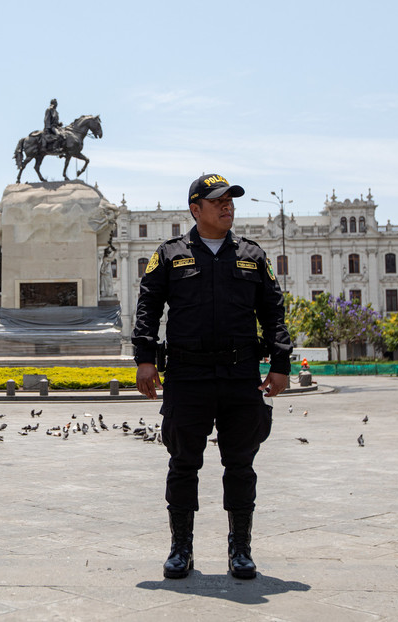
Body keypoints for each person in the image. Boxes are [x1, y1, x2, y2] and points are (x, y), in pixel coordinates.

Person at [132, 173, 292, 580]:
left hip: (241, 375)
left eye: (231, 201)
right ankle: (180, 549)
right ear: (195, 208)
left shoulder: (252, 255)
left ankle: (240, 549)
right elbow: (148, 306)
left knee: (241, 465)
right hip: (188, 375)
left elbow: (274, 312)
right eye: (218, 201)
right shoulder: (170, 254)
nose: (228, 207)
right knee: (183, 464)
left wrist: (281, 363)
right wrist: (145, 358)